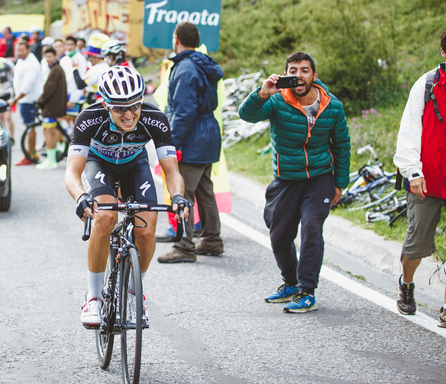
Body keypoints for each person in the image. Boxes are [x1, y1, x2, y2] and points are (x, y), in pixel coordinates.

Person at [65, 66, 190, 327]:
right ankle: (94, 298)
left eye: (134, 106)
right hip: (99, 164)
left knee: (146, 231)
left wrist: (178, 197)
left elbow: (171, 170)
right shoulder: (89, 118)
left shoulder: (155, 118)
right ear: (106, 104)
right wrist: (81, 197)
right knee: (105, 216)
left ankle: (134, 292)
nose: (129, 114)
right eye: (120, 108)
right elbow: (72, 173)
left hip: (135, 165)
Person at [239, 51, 350, 313]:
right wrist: (262, 93)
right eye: (292, 70)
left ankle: (307, 290)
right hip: (286, 179)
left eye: (304, 70)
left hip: (320, 178)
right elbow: (247, 115)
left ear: (314, 76)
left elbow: (342, 144)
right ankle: (290, 282)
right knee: (279, 235)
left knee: (312, 228)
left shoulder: (332, 105)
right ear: (286, 74)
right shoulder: (277, 99)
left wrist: (339, 183)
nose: (298, 75)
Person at [393, 24, 446, 331]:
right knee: (417, 242)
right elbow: (409, 132)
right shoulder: (426, 85)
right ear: (444, 52)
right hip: (424, 180)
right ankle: (406, 283)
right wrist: (413, 172)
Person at [157, 22, 225, 263]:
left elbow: (184, 111)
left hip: (193, 135)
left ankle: (185, 247)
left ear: (176, 38)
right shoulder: (202, 62)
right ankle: (212, 240)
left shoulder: (184, 68)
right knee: (205, 190)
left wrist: (172, 144)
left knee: (182, 192)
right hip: (209, 133)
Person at [10, 40, 42, 165]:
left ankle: (29, 155)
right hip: (24, 99)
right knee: (28, 127)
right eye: (17, 50)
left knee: (30, 127)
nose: (19, 53)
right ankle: (32, 153)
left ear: (28, 49)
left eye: (22, 50)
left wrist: (14, 100)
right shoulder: (22, 60)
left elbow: (27, 87)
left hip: (28, 100)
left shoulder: (31, 64)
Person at [36, 46, 67, 170]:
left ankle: (51, 160)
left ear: (55, 56)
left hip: (51, 108)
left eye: (50, 56)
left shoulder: (55, 70)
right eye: (46, 57)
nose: (47, 59)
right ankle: (52, 159)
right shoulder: (58, 69)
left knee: (48, 133)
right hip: (56, 107)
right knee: (52, 133)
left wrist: (40, 102)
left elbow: (48, 90)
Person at [73, 33, 109, 105]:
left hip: (95, 101)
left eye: (90, 56)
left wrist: (75, 69)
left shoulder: (97, 68)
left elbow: (80, 84)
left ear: (97, 57)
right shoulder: (106, 66)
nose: (88, 59)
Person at [62, 36, 86, 125]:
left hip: (75, 96)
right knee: (65, 121)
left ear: (76, 45)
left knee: (75, 123)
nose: (69, 47)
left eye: (72, 44)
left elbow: (80, 81)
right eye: (67, 44)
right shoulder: (64, 59)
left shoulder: (80, 59)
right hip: (66, 95)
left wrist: (73, 99)